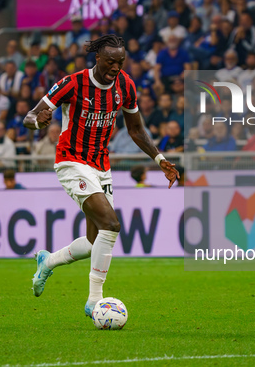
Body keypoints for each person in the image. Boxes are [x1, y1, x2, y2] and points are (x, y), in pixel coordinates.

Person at [22, 35, 179, 315]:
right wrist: (38, 122)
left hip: (101, 166)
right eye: (110, 61)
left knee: (96, 241)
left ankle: (47, 262)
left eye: (120, 62)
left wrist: (160, 158)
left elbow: (135, 129)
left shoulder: (126, 85)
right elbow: (31, 116)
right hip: (71, 161)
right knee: (111, 224)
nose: (116, 67)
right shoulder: (73, 83)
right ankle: (95, 301)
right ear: (97, 58)